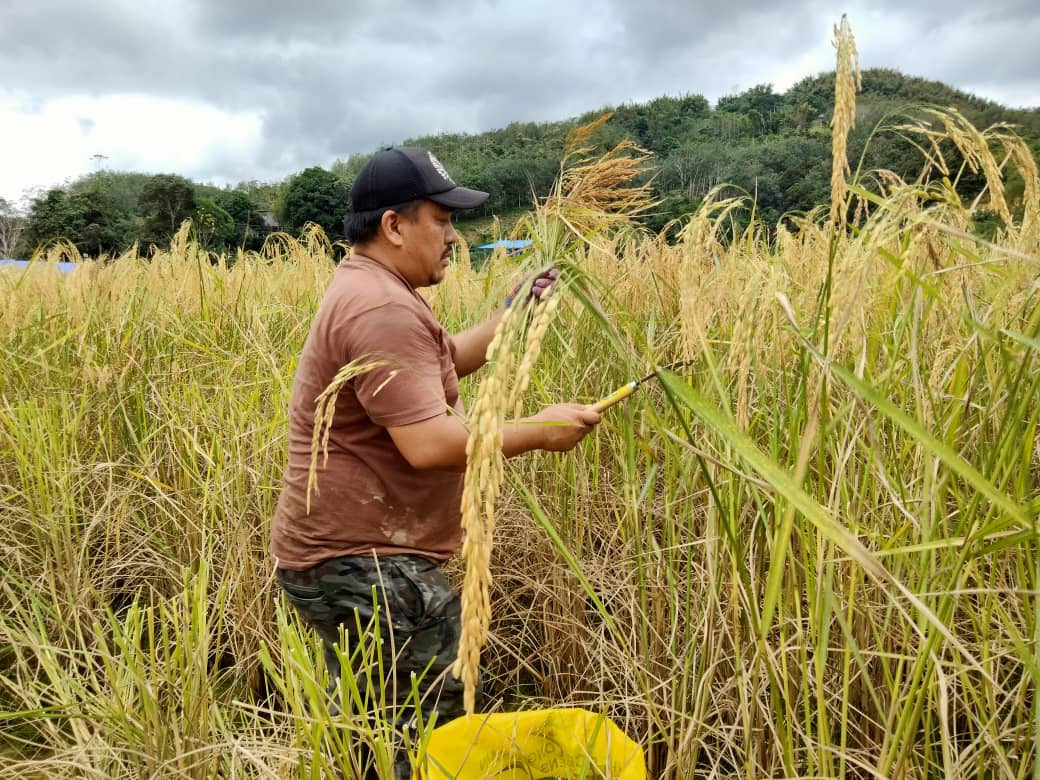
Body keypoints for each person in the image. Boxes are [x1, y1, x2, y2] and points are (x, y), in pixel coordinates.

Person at [269, 146, 602, 778]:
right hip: (361, 562)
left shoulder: (376, 288)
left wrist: (517, 305)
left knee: (375, 718)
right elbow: (430, 445)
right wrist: (540, 430)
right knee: (422, 727)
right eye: (441, 220)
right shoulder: (383, 307)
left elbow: (452, 354)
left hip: (340, 555)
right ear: (394, 226)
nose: (454, 236)